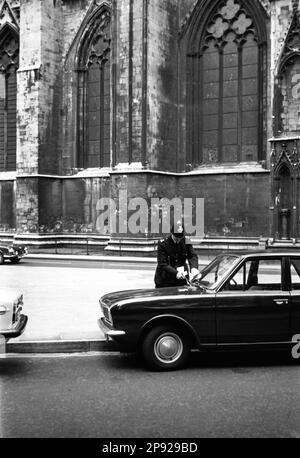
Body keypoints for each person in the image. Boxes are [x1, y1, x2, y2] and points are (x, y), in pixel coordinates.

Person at [154, 221, 200, 288]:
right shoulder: (163, 243)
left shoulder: (186, 241)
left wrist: (194, 268)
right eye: (176, 238)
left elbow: (192, 256)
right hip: (165, 280)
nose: (178, 240)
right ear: (172, 234)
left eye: (180, 238)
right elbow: (162, 263)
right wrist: (176, 273)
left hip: (181, 279)